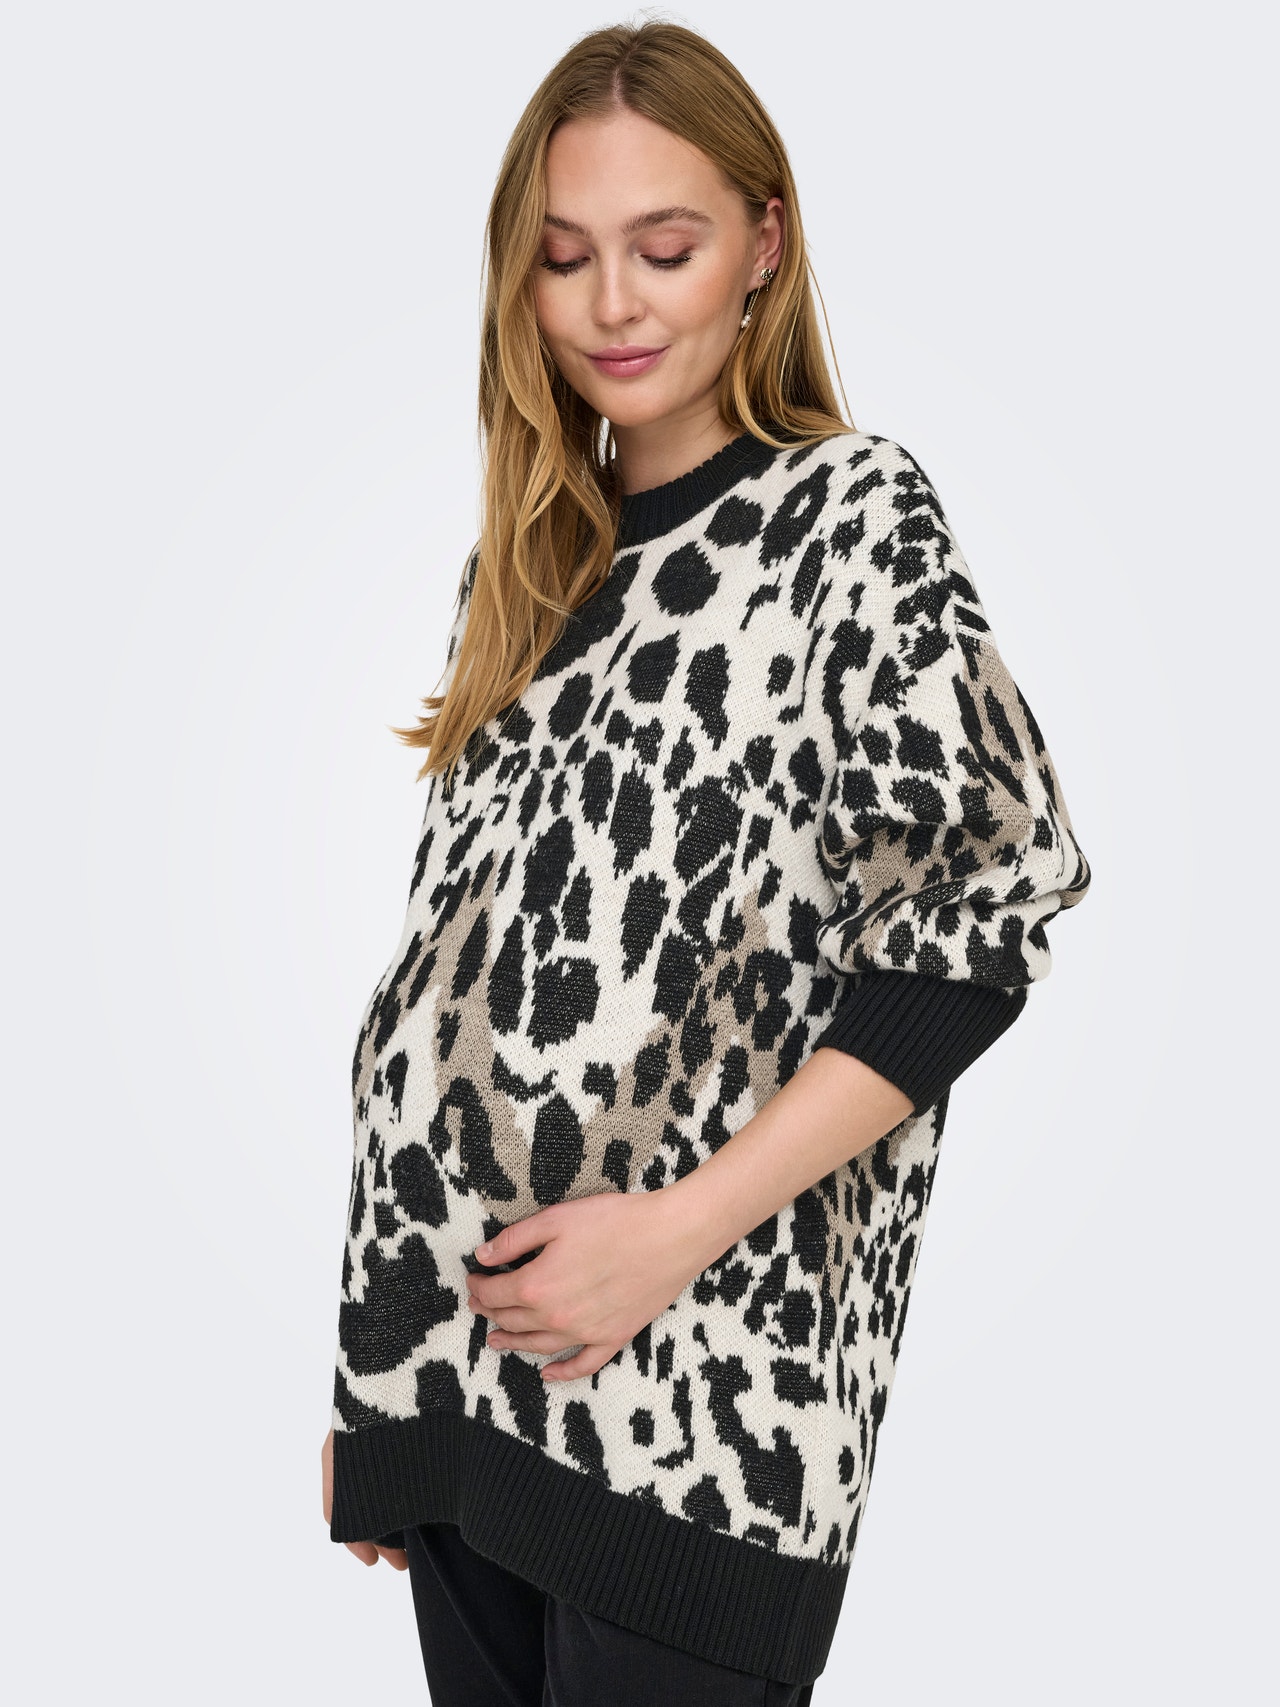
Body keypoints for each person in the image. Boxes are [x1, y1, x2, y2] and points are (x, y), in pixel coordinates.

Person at [319, 19, 1091, 1705]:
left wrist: (678, 1230)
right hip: (462, 1378)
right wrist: (381, 1371)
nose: (613, 302)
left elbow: (976, 919)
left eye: (663, 248)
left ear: (763, 244)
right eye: (564, 257)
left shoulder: (850, 521)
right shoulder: (525, 574)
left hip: (702, 1421)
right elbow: (449, 990)